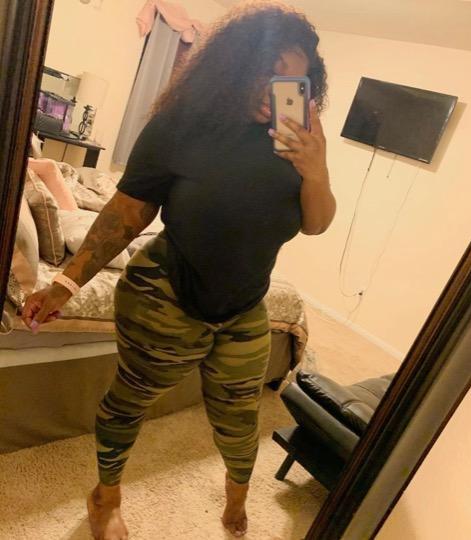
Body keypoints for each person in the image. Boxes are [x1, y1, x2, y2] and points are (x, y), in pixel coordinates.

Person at [22, 2, 336, 538]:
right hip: (164, 294)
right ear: (234, 66)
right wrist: (66, 283)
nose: (276, 88)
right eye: (267, 71)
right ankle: (104, 497)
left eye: (292, 79)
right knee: (129, 403)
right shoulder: (182, 124)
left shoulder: (300, 138)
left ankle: (236, 498)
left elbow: (316, 223)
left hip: (246, 304)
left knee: (240, 418)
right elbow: (127, 213)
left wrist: (316, 169)